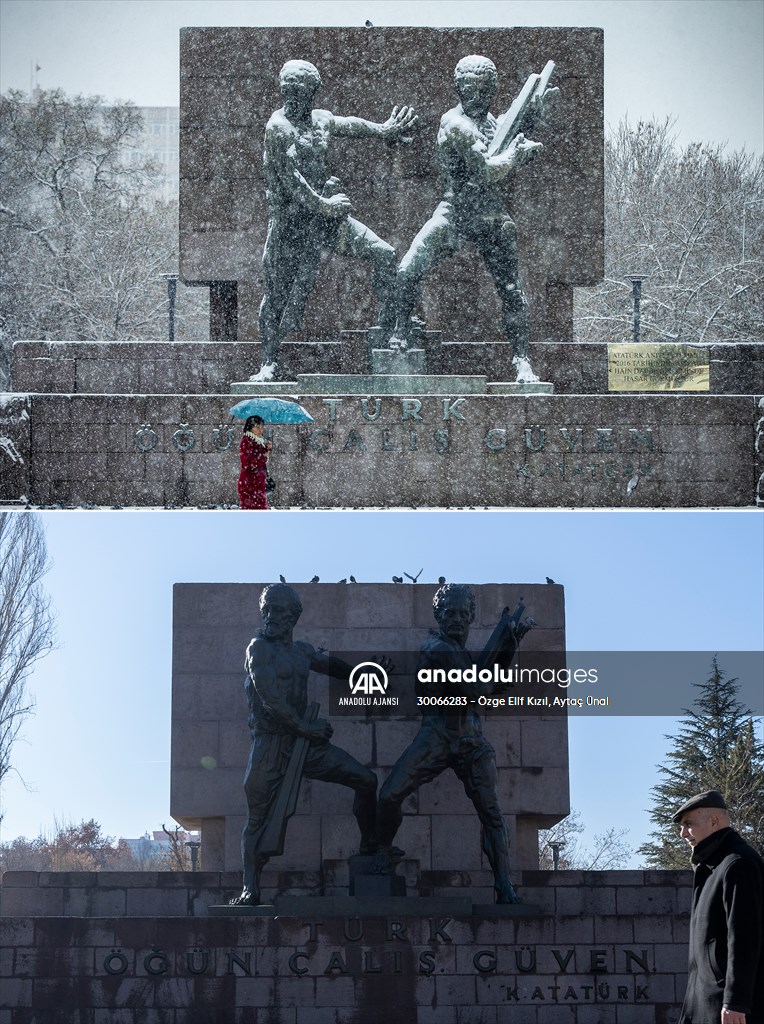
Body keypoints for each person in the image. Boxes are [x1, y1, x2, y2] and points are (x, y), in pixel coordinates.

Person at [392, 55, 555, 383]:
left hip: (491, 213)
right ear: (457, 88)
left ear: (492, 90)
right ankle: (400, 333)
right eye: (467, 88)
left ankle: (522, 360)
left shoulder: (493, 121)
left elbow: (510, 129)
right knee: (408, 268)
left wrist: (533, 111)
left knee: (511, 288)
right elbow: (487, 169)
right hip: (454, 211)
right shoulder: (453, 123)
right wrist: (516, 156)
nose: (474, 95)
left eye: (482, 89)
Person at [254, 59, 418, 381]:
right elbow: (292, 181)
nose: (292, 97)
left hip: (325, 220)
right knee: (275, 295)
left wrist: (383, 130)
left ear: (313, 92)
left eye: (299, 91)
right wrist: (325, 204)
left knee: (384, 254)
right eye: (287, 90)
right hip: (290, 225)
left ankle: (388, 331)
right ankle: (268, 362)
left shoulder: (321, 121)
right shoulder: (278, 128)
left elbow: (350, 125)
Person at [230, 583, 378, 906]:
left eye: (278, 610)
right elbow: (270, 699)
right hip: (270, 747)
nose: (270, 616)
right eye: (266, 609)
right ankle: (250, 888)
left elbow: (333, 667)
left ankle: (371, 847)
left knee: (366, 781)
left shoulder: (303, 652)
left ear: (294, 616)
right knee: (256, 820)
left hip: (306, 746)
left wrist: (368, 674)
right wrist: (307, 728)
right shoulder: (258, 649)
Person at [376, 583, 522, 903]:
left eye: (462, 613)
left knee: (492, 813)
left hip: (470, 738)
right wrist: (501, 646)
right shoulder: (436, 648)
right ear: (438, 616)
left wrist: (510, 645)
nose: (456, 619)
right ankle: (382, 853)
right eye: (449, 613)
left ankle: (504, 885)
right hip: (437, 736)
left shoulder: (463, 652)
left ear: (470, 617)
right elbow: (476, 690)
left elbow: (495, 688)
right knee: (387, 796)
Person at [674, 790, 764, 1024]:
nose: (682, 833)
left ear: (714, 821)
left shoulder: (738, 863)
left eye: (688, 824)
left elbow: (745, 937)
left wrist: (735, 1002)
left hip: (727, 1010)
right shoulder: (714, 866)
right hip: (704, 1004)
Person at [237, 415, 271, 510]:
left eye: (261, 427)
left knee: (260, 510)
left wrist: (266, 449)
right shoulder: (247, 441)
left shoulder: (257, 441)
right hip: (249, 483)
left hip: (258, 482)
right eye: (257, 427)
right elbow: (248, 462)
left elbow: (259, 459)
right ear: (250, 428)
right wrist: (263, 457)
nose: (260, 430)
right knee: (252, 512)